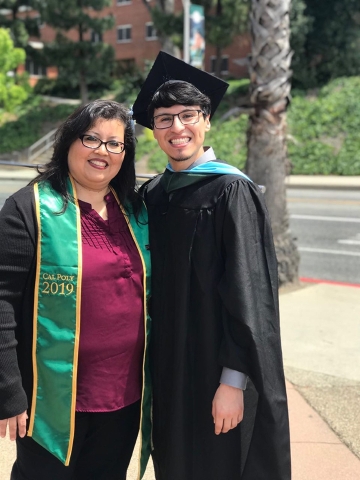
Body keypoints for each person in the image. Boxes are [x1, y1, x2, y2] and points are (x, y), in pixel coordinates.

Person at [133, 51, 291, 480]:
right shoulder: (155, 194)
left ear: (206, 120)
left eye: (188, 115)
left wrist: (233, 383)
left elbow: (248, 293)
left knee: (217, 465)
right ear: (153, 131)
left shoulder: (230, 191)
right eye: (163, 118)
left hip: (214, 367)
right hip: (168, 368)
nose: (176, 127)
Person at [0, 100, 152, 480]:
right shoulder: (28, 209)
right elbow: (1, 302)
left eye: (115, 144)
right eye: (91, 138)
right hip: (52, 399)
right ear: (69, 142)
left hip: (124, 396)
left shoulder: (136, 211)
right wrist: (8, 391)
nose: (103, 151)